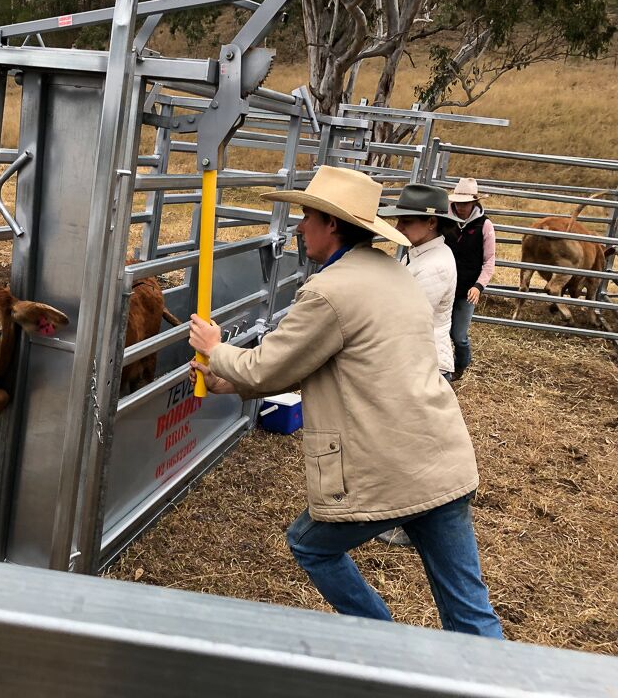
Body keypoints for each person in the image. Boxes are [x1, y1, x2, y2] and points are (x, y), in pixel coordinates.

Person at [188, 165, 503, 638]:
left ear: (331, 223)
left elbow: (268, 366)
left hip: (391, 464)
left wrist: (216, 350)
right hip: (441, 456)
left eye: (307, 216)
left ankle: (385, 645)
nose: (299, 228)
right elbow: (326, 363)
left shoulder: (329, 291)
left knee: (310, 544)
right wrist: (229, 382)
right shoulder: (393, 272)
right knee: (469, 611)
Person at [377, 183, 461, 381]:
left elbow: (408, 318)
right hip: (416, 358)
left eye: (406, 221)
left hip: (425, 366)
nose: (398, 228)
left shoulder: (435, 265)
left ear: (431, 222)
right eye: (399, 220)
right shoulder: (420, 253)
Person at [444, 177, 496, 380]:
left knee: (458, 335)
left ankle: (461, 364)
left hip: (467, 289)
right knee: (439, 330)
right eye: (458, 202)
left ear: (474, 202)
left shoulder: (484, 225)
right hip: (444, 284)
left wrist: (478, 286)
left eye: (465, 203)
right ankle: (442, 366)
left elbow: (489, 259)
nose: (461, 207)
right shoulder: (445, 220)